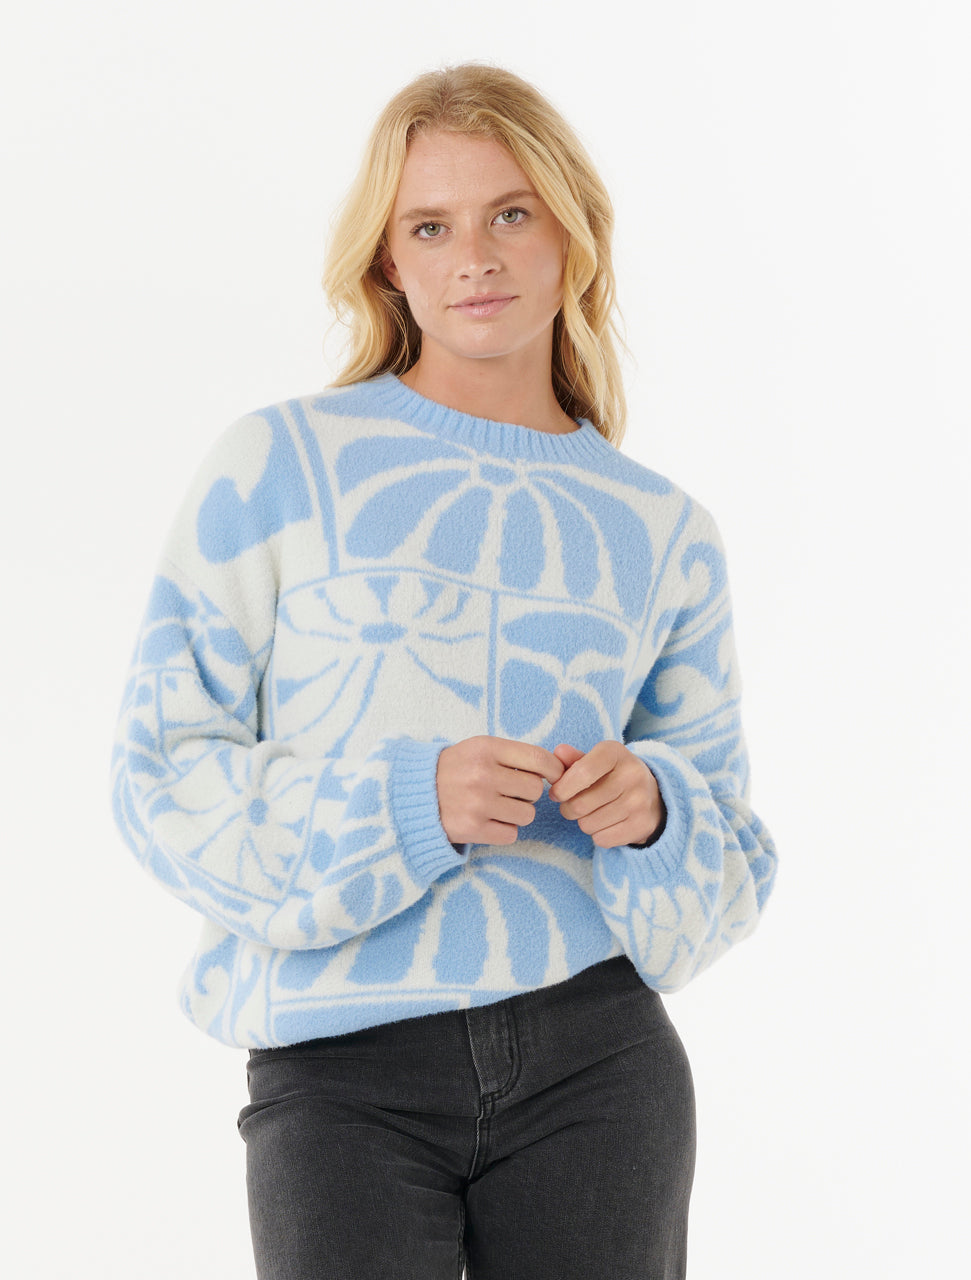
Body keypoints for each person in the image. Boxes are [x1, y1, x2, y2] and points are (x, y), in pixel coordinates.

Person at [111, 62, 777, 1280]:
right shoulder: (276, 468)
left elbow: (729, 859)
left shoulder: (665, 532)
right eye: (431, 226)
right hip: (340, 1068)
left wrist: (657, 811)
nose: (474, 257)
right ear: (387, 262)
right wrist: (407, 803)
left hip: (600, 1063)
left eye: (510, 213)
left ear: (572, 233)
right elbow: (159, 774)